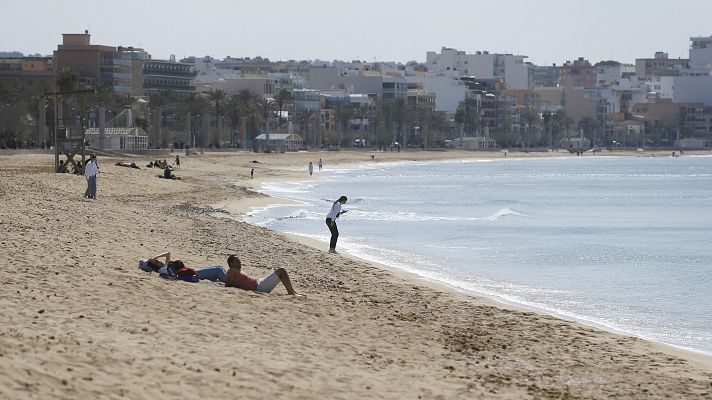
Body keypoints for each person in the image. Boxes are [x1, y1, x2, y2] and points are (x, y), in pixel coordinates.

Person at [225, 254, 302, 296]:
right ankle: (291, 293)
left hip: (260, 282)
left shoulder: (236, 271)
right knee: (281, 270)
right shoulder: (231, 270)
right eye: (237, 261)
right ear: (231, 263)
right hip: (259, 287)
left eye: (239, 261)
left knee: (281, 272)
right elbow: (228, 285)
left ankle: (293, 292)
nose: (240, 263)